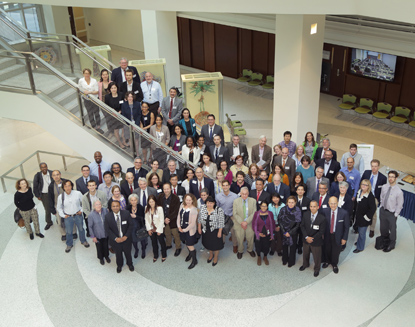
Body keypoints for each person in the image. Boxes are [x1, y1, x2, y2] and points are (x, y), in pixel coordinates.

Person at [57, 180, 89, 253]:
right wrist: (63, 215)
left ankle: (83, 241)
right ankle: (69, 244)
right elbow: (59, 208)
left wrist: (81, 210)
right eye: (65, 186)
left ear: (72, 186)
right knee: (68, 232)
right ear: (63, 188)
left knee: (81, 229)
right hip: (68, 217)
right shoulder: (61, 197)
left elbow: (83, 203)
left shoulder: (78, 193)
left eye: (69, 185)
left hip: (78, 215)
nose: (68, 188)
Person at [104, 200, 134, 273]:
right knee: (118, 254)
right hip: (116, 240)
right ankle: (119, 265)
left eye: (117, 206)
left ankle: (130, 264)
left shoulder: (126, 213)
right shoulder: (107, 216)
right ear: (111, 207)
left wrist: (126, 236)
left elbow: (131, 225)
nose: (115, 208)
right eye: (113, 206)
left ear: (120, 206)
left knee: (128, 253)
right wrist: (115, 238)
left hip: (126, 239)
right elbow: (107, 229)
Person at [322, 197, 350, 274]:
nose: (333, 205)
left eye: (334, 203)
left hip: (338, 235)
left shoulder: (344, 213)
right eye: (331, 203)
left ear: (337, 203)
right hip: (327, 234)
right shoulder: (325, 211)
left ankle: (334, 264)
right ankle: (327, 261)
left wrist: (344, 238)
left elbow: (347, 227)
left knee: (336, 251)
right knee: (327, 249)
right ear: (328, 203)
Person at [379, 170, 404, 252]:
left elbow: (399, 205)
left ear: (396, 178)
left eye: (392, 177)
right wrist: (381, 207)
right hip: (383, 211)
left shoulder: (399, 192)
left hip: (391, 214)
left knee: (392, 230)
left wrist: (395, 215)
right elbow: (382, 197)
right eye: (389, 176)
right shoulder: (384, 187)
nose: (390, 178)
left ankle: (392, 244)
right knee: (383, 228)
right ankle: (385, 242)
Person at [299, 200, 326, 277]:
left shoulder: (322, 218)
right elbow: (302, 226)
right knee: (305, 253)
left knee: (317, 256)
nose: (312, 208)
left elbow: (321, 231)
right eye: (311, 206)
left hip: (316, 240)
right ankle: (305, 264)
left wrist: (312, 238)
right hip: (306, 239)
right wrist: (306, 237)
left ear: (318, 207)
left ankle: (317, 269)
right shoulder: (305, 214)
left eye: (314, 206)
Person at [361, 159, 387, 238]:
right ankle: (361, 226)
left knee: (373, 214)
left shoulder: (383, 178)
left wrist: (379, 200)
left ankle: (372, 229)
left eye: (375, 166)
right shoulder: (366, 173)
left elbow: (383, 191)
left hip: (374, 198)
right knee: (362, 211)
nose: (374, 168)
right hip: (365, 195)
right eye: (372, 166)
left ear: (378, 167)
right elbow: (361, 183)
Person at [48, 170, 76, 241]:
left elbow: (72, 193)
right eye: (54, 175)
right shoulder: (51, 186)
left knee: (71, 219)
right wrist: (52, 210)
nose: (56, 176)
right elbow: (50, 198)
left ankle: (74, 232)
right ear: (52, 177)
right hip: (58, 206)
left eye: (57, 174)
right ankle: (63, 234)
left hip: (68, 205)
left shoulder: (67, 182)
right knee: (60, 221)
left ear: (60, 175)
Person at [198, 197, 225, 266]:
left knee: (216, 246)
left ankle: (215, 257)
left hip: (215, 231)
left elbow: (221, 222)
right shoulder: (203, 208)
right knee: (208, 244)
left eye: (211, 203)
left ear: (214, 203)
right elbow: (199, 219)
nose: (209, 204)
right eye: (208, 203)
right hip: (205, 230)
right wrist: (199, 228)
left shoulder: (219, 210)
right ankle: (211, 255)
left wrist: (220, 232)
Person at [157, 183, 181, 256]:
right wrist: (164, 219)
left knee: (175, 234)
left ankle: (178, 247)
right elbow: (158, 208)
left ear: (171, 189)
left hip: (173, 220)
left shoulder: (176, 198)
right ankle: (168, 244)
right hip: (163, 219)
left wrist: (168, 218)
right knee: (167, 233)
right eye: (164, 189)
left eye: (167, 189)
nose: (166, 190)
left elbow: (176, 211)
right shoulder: (160, 197)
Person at [353, 180, 376, 253]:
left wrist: (366, 218)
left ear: (368, 186)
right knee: (359, 231)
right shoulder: (359, 192)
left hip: (364, 219)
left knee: (362, 233)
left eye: (365, 185)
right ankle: (359, 242)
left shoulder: (370, 196)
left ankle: (360, 247)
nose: (363, 186)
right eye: (362, 184)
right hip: (358, 216)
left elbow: (373, 209)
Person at [233, 187, 257, 259]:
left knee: (250, 238)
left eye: (246, 194)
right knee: (240, 238)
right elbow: (234, 213)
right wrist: (242, 222)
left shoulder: (253, 201)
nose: (244, 195)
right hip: (239, 223)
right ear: (240, 193)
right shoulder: (236, 201)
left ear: (248, 193)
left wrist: (246, 222)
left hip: (249, 222)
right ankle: (240, 251)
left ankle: (250, 249)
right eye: (243, 194)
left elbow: (254, 213)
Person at [216, 180, 239, 252]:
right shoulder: (218, 196)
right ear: (222, 186)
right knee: (222, 230)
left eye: (227, 185)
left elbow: (237, 207)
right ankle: (221, 243)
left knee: (234, 231)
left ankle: (235, 245)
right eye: (224, 185)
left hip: (232, 216)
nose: (225, 187)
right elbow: (217, 207)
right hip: (222, 216)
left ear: (229, 186)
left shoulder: (235, 196)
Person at [278, 196, 302, 267]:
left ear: (295, 203)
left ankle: (291, 261)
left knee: (293, 247)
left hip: (293, 232)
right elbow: (280, 220)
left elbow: (298, 224)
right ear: (287, 203)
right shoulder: (283, 209)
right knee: (284, 246)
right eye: (289, 202)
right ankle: (284, 259)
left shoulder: (298, 210)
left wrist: (290, 232)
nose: (291, 204)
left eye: (292, 202)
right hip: (284, 231)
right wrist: (284, 231)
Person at [177, 194, 199, 269]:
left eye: (190, 200)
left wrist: (184, 230)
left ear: (192, 200)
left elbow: (193, 224)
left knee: (190, 245)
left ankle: (194, 260)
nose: (188, 201)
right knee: (186, 242)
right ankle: (190, 254)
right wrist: (179, 226)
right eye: (187, 200)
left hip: (189, 230)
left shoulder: (194, 210)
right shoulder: (182, 205)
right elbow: (178, 216)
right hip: (182, 228)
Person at [105, 82, 128, 148]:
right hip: (113, 116)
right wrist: (113, 111)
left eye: (115, 87)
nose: (114, 89)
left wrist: (120, 111)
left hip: (121, 114)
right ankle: (120, 143)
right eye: (112, 88)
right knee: (116, 130)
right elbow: (106, 106)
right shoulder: (107, 97)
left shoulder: (121, 94)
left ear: (117, 88)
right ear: (110, 89)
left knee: (123, 128)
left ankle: (124, 141)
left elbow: (124, 104)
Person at [145, 195, 167, 262]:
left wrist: (159, 230)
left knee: (162, 242)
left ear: (155, 201)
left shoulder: (159, 208)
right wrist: (148, 229)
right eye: (150, 202)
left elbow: (161, 220)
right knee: (154, 243)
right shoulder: (146, 208)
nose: (151, 203)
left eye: (153, 201)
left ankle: (164, 255)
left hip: (159, 228)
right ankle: (155, 255)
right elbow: (146, 219)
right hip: (151, 229)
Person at [78, 68, 102, 133]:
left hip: (94, 99)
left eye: (88, 73)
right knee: (90, 113)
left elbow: (97, 91)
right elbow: (79, 89)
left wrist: (89, 92)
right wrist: (83, 92)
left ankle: (98, 125)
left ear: (90, 74)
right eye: (85, 73)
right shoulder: (81, 80)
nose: (87, 75)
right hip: (86, 100)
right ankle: (93, 125)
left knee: (96, 112)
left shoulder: (94, 81)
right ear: (83, 74)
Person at [252, 201, 275, 266]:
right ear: (260, 206)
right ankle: (259, 256)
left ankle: (265, 256)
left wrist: (272, 234)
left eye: (265, 206)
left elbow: (273, 224)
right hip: (258, 233)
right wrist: (257, 233)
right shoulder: (256, 213)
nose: (264, 207)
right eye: (262, 206)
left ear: (267, 207)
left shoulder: (270, 213)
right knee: (258, 246)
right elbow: (254, 224)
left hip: (267, 233)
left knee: (266, 246)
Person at [88, 200, 111, 265]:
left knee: (106, 246)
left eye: (99, 204)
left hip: (106, 233)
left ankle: (106, 256)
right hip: (97, 234)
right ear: (93, 206)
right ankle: (101, 258)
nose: (98, 206)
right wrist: (93, 236)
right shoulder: (91, 215)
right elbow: (90, 226)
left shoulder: (105, 211)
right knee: (99, 247)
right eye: (96, 205)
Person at [126, 193, 146, 259]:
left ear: (137, 200)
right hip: (132, 228)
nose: (133, 202)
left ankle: (143, 250)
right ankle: (136, 250)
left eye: (135, 200)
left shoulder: (141, 207)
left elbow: (143, 218)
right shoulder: (127, 208)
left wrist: (136, 216)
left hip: (140, 227)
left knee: (143, 241)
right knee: (134, 241)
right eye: (132, 200)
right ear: (130, 201)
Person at [33, 162, 53, 230]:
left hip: (53, 193)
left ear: (47, 167)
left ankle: (59, 220)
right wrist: (37, 195)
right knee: (47, 209)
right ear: (40, 168)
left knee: (57, 206)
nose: (44, 168)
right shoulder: (38, 175)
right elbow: (35, 186)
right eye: (42, 167)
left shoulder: (51, 173)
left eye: (45, 167)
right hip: (45, 194)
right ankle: (49, 222)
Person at [295, 184, 310, 254]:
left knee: (301, 235)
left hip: (303, 222)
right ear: (296, 191)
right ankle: (294, 246)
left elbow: (308, 212)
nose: (300, 191)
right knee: (294, 235)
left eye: (302, 190)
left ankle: (299, 247)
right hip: (294, 222)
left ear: (304, 191)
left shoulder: (307, 200)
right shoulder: (293, 199)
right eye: (299, 190)